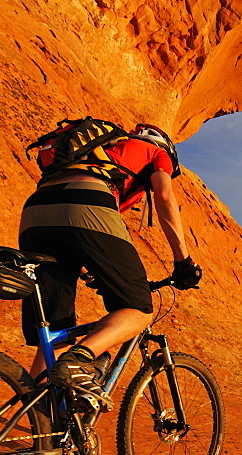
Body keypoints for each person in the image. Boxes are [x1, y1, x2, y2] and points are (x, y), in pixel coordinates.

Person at [17, 123, 202, 397]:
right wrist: (183, 262)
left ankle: (38, 421)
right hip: (86, 200)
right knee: (138, 309)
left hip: (35, 212)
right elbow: (164, 197)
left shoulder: (102, 152)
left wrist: (85, 266)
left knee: (55, 334)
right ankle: (81, 359)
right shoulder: (155, 151)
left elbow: (74, 232)